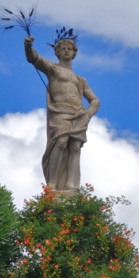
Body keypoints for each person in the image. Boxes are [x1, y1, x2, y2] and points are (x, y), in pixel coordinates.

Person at [24, 33, 100, 194]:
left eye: (69, 49)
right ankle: (52, 184)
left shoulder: (81, 80)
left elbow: (95, 100)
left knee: (75, 147)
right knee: (60, 142)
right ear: (57, 52)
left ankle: (72, 185)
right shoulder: (53, 69)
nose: (66, 51)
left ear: (74, 53)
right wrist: (28, 47)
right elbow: (35, 59)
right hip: (60, 111)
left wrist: (88, 114)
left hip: (78, 114)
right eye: (62, 49)